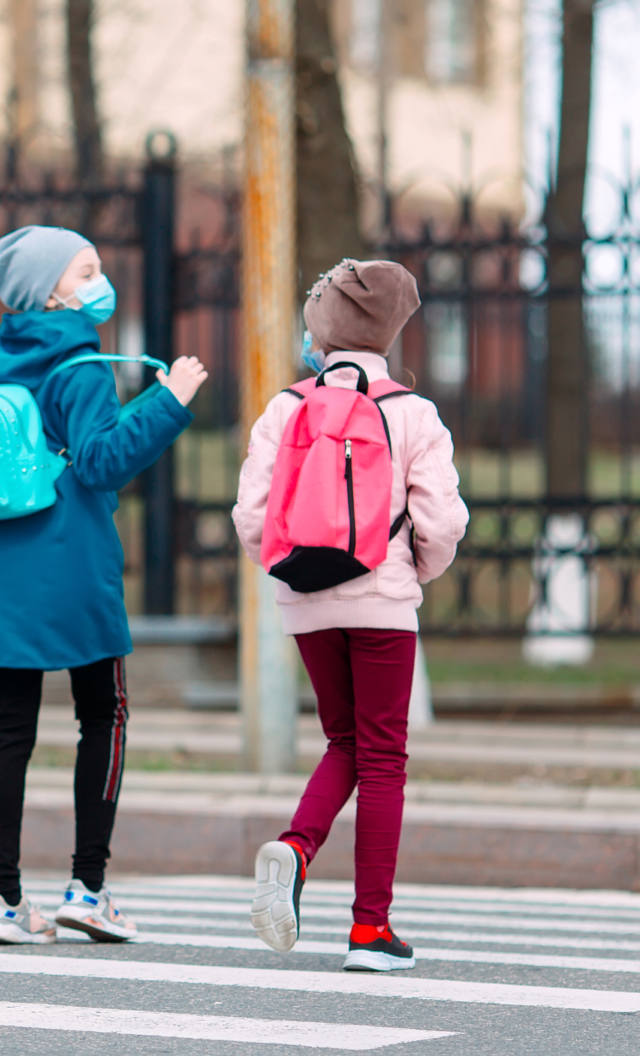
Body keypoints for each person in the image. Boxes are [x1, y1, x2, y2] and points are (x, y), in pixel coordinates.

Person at [0, 225, 208, 945]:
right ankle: (88, 887)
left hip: (1, 570)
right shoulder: (81, 365)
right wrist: (169, 400)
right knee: (104, 716)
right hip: (75, 563)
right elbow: (101, 463)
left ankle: (2, 900)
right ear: (52, 289)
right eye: (85, 270)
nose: (99, 279)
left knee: (9, 731)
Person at [234, 259, 468, 972]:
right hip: (383, 600)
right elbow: (443, 520)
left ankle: (300, 845)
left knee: (343, 740)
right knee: (383, 756)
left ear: (321, 329)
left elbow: (252, 514)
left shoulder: (285, 406)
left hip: (305, 600)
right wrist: (409, 573)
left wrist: (290, 576)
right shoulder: (413, 413)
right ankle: (371, 929)